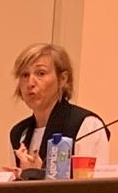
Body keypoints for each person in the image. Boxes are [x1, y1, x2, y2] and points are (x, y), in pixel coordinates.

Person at [7, 43, 110, 175]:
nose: (30, 83)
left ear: (62, 79)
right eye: (25, 75)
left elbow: (96, 189)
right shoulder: (18, 133)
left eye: (41, 73)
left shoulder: (86, 125)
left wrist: (38, 174)